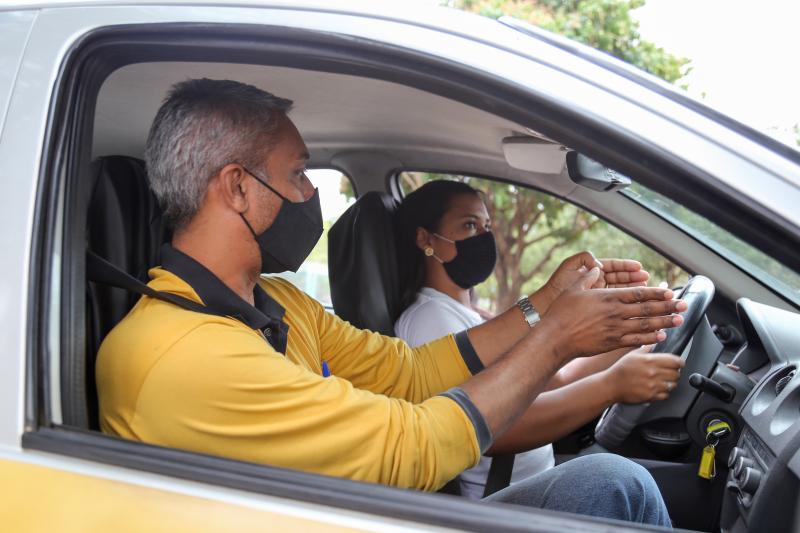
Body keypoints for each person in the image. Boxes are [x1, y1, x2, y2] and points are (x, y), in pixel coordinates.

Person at [95, 79, 686, 526]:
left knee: (612, 483)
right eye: (300, 174)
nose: (310, 193)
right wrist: (557, 339)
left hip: (360, 511)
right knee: (615, 484)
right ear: (238, 187)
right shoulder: (181, 355)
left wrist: (546, 302)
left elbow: (410, 372)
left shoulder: (276, 303)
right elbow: (412, 443)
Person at [394, 180, 685, 499]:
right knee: (626, 484)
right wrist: (611, 386)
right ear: (426, 239)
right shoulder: (430, 318)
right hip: (497, 494)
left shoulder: (471, 315)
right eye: (469, 225)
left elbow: (551, 380)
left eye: (487, 226)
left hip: (534, 475)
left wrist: (631, 335)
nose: (484, 237)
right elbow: (487, 427)